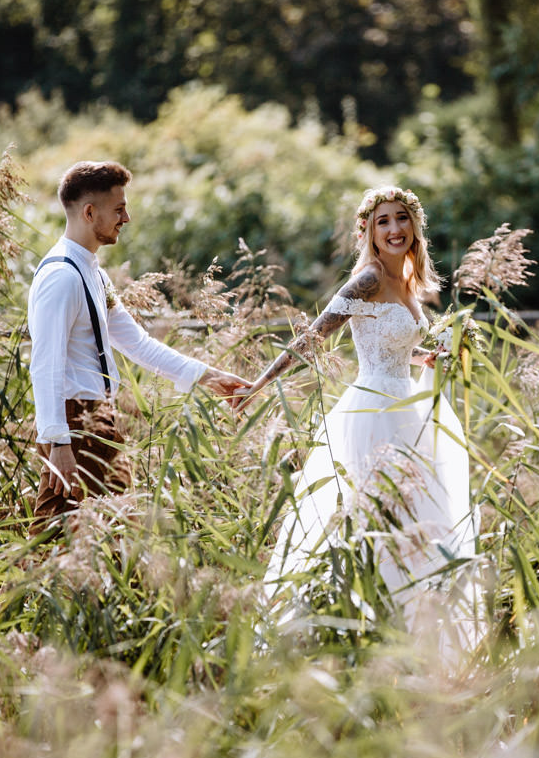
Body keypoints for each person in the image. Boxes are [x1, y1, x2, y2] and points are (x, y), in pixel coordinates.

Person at [232, 186, 482, 654]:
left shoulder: (408, 283)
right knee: (369, 518)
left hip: (406, 409)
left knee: (414, 517)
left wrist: (429, 355)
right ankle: (345, 630)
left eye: (401, 219)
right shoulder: (366, 280)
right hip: (371, 414)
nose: (393, 229)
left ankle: (410, 636)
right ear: (368, 231)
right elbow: (312, 337)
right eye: (382, 221)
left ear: (414, 227)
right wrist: (259, 385)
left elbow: (394, 347)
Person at [29, 160, 249, 529]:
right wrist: (59, 442)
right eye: (119, 209)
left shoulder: (92, 273)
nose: (126, 218)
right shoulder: (61, 277)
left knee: (114, 542)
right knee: (55, 544)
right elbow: (45, 364)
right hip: (74, 425)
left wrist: (210, 378)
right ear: (88, 212)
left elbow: (140, 345)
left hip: (100, 422)